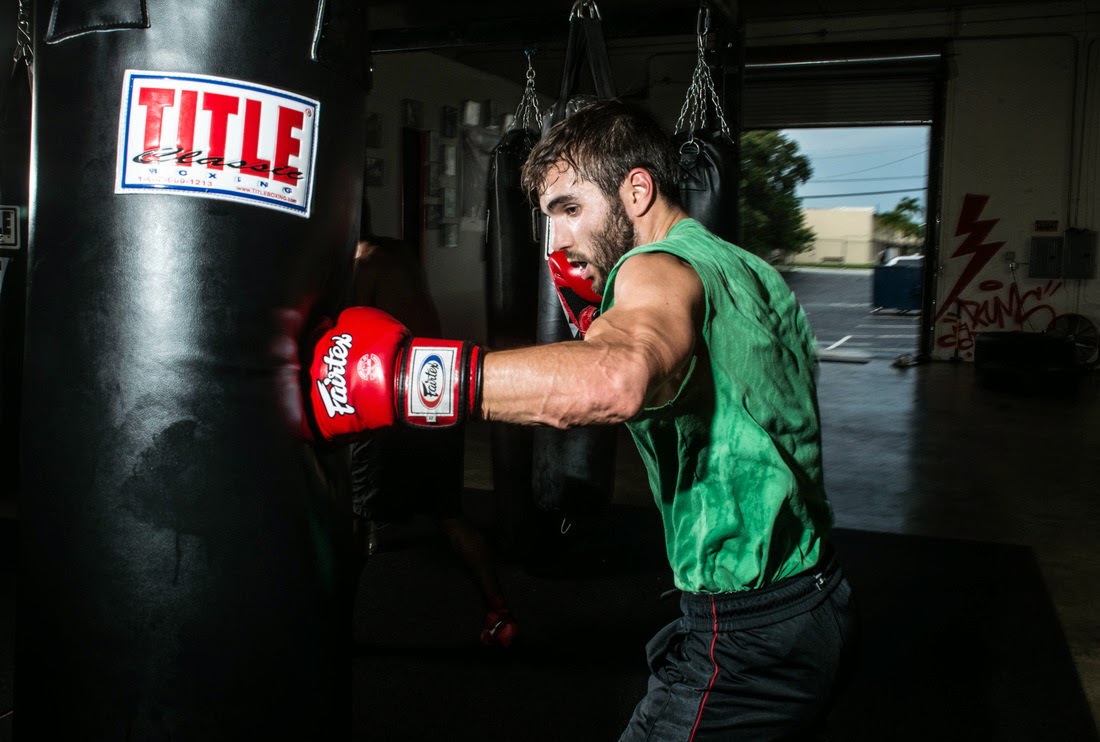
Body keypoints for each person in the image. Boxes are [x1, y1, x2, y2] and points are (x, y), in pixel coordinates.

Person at [308, 100, 857, 738]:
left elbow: (614, 379)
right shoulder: (749, 269)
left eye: (570, 209)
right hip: (818, 598)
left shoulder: (652, 267)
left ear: (637, 190)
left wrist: (404, 380)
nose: (558, 241)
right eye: (548, 218)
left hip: (748, 639)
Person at [348, 233, 518, 648]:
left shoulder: (362, 263)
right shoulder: (400, 252)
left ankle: (336, 623)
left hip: (395, 392)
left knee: (350, 513)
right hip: (436, 381)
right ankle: (499, 611)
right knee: (449, 513)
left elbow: (341, 328)